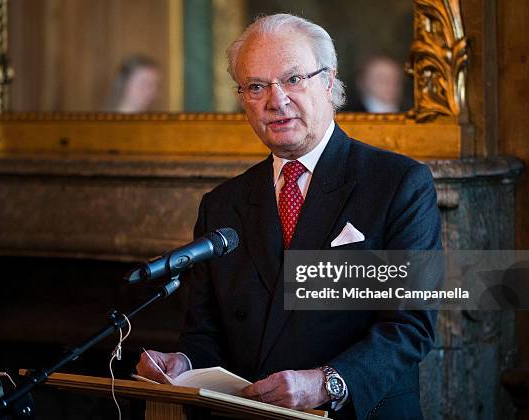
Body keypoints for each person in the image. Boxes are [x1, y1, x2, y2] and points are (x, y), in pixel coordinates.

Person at [136, 14, 440, 420]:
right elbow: (205, 333)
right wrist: (185, 363)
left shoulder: (399, 184)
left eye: (293, 79)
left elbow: (410, 326)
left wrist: (325, 382)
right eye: (257, 86)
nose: (276, 101)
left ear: (329, 82)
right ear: (242, 98)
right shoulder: (222, 204)